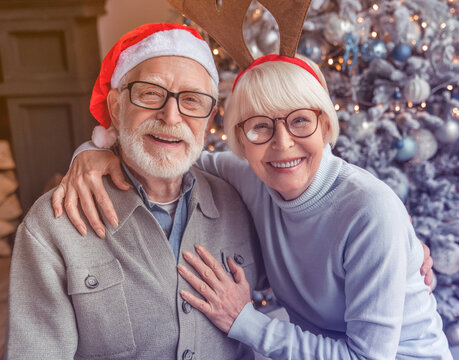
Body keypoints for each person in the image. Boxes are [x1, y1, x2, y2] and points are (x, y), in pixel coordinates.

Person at [54, 50, 450, 358]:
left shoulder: (369, 210)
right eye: (260, 125)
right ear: (241, 140)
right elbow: (172, 155)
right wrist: (94, 151)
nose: (281, 143)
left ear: (326, 124)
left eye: (299, 121)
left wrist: (244, 321)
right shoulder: (252, 175)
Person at [5, 23, 266, 360]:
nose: (171, 117)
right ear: (116, 107)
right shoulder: (53, 225)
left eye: (192, 100)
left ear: (208, 117)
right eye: (151, 93)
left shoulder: (240, 201)